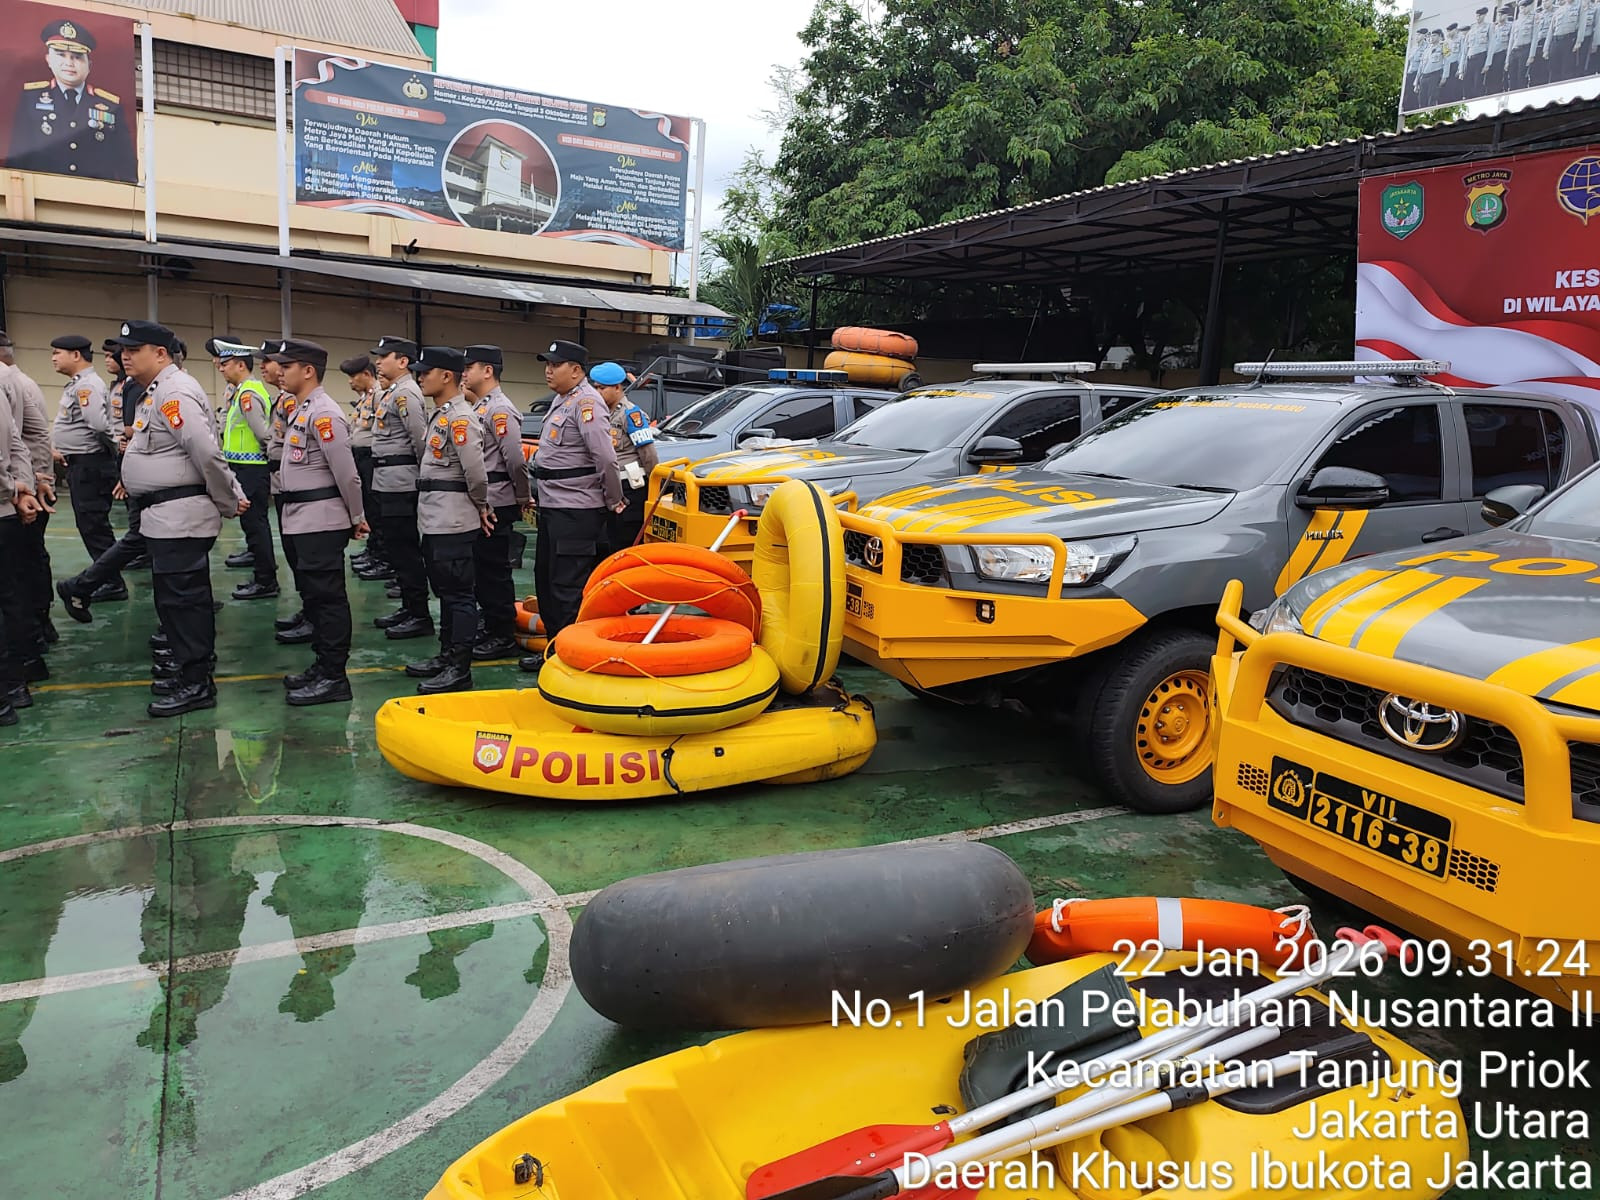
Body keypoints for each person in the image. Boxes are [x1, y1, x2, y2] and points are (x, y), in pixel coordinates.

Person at [117, 320, 244, 717]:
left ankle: (196, 684)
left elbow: (206, 453)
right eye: (125, 349)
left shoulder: (175, 392)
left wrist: (227, 500)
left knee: (185, 602)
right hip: (165, 516)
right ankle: (190, 672)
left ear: (160, 353)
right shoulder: (156, 392)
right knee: (174, 601)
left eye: (135, 349)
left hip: (180, 517)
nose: (125, 355)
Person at [520, 340, 624, 673]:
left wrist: (612, 499)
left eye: (556, 364)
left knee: (566, 588)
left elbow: (606, 458)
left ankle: (568, 659)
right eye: (547, 364)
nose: (549, 370)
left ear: (576, 370)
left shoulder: (588, 403)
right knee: (547, 583)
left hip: (576, 510)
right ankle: (554, 649)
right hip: (553, 506)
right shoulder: (562, 401)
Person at [273, 339, 368, 706]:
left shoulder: (324, 413)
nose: (280, 372)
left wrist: (356, 516)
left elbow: (348, 475)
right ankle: (322, 664)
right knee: (314, 597)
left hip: (320, 521)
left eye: (288, 365)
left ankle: (334, 676)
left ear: (308, 370)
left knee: (327, 600)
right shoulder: (303, 409)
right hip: (301, 519)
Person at [405, 347, 489, 694]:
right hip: (436, 518)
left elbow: (476, 473)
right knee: (445, 592)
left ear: (447, 376)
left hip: (454, 520)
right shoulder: (440, 415)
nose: (420, 376)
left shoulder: (460, 418)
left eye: (427, 371)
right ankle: (446, 655)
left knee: (458, 596)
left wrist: (481, 506)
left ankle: (460, 668)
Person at [461, 344, 528, 660]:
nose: (464, 373)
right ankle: (491, 623)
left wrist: (522, 496)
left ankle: (502, 633)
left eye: (469, 367)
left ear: (487, 371)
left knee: (494, 570)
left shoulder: (499, 409)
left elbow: (515, 460)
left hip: (497, 502)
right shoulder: (481, 408)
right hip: (482, 501)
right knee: (481, 569)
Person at [7, 19, 135, 183]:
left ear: (89, 65)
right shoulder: (30, 99)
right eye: (61, 55)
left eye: (77, 57)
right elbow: (17, 156)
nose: (69, 63)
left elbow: (126, 164)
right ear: (48, 59)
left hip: (94, 198)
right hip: (43, 193)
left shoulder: (110, 106)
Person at [368, 335, 432, 640]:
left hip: (401, 482)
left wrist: (420, 480)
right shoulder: (391, 392)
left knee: (405, 550)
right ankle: (409, 606)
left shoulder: (407, 393)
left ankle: (419, 613)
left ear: (403, 361)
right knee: (395, 547)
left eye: (385, 356)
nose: (378, 362)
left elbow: (420, 440)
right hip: (386, 480)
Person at [49, 333, 122, 594]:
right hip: (82, 463)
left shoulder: (86, 385)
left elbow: (100, 425)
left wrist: (110, 451)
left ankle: (112, 582)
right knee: (92, 525)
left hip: (90, 464)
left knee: (93, 525)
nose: (54, 358)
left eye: (58, 353)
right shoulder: (78, 383)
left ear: (76, 355)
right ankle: (111, 579)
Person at [0, 335, 57, 660]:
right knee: (25, 569)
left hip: (9, 495)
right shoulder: (22, 382)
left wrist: (16, 488)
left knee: (14, 580)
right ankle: (36, 640)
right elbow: (33, 435)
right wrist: (31, 483)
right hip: (20, 490)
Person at [209, 337, 279, 600]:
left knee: (256, 524)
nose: (220, 368)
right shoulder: (243, 391)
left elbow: (263, 434)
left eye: (225, 364)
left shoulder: (248, 394)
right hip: (244, 466)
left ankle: (266, 581)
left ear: (240, 365)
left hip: (251, 467)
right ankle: (263, 576)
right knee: (253, 524)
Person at [0, 393, 44, 726]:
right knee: (12, 597)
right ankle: (15, 684)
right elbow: (17, 445)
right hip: (6, 509)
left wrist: (13, 489)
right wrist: (22, 488)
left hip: (4, 500)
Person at [591, 361, 659, 552]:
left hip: (629, 488)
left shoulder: (631, 414)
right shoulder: (601, 413)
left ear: (617, 387)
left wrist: (654, 486)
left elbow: (648, 454)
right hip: (607, 486)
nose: (597, 392)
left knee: (624, 542)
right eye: (595, 387)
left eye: (601, 388)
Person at [340, 354, 387, 578]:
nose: (350, 381)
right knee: (369, 507)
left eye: (353, 376)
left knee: (376, 509)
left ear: (367, 374)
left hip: (371, 458)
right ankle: (373, 550)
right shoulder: (366, 397)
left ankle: (381, 556)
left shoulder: (379, 396)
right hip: (360, 457)